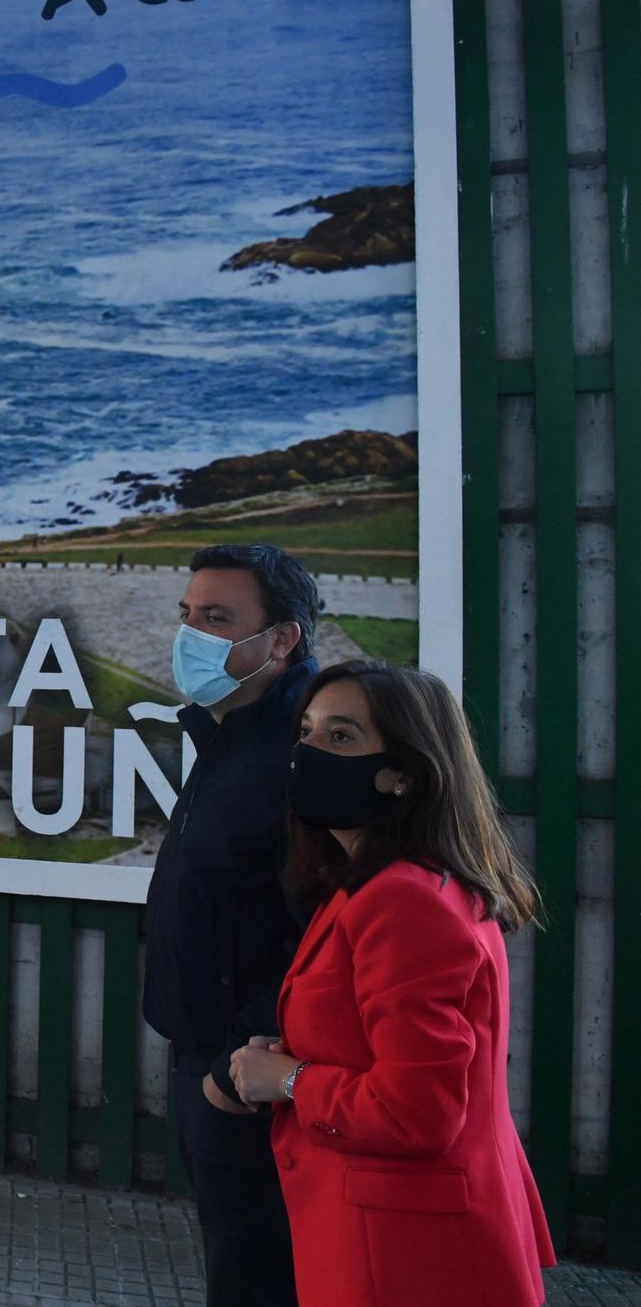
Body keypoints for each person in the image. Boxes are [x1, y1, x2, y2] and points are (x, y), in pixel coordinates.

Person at [230, 661, 553, 1306]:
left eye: (342, 737)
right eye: (308, 731)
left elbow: (417, 1112)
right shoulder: (381, 882)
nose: (309, 752)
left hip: (407, 1257)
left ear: (403, 774)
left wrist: (289, 1080)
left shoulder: (404, 900)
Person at [144, 543, 321, 1305]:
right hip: (209, 1060)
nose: (192, 636)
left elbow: (320, 935)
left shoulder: (304, 754)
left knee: (260, 1275)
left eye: (217, 619)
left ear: (283, 639)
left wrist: (231, 1073)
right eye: (188, 615)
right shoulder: (231, 728)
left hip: (253, 1077)